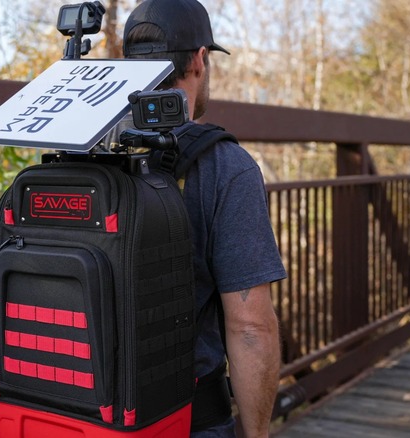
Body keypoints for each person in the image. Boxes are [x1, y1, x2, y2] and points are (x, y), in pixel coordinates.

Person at [119, 1, 288, 437]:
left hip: (77, 412)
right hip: (182, 418)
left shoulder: (82, 147)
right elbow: (250, 327)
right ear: (199, 60)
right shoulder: (224, 167)